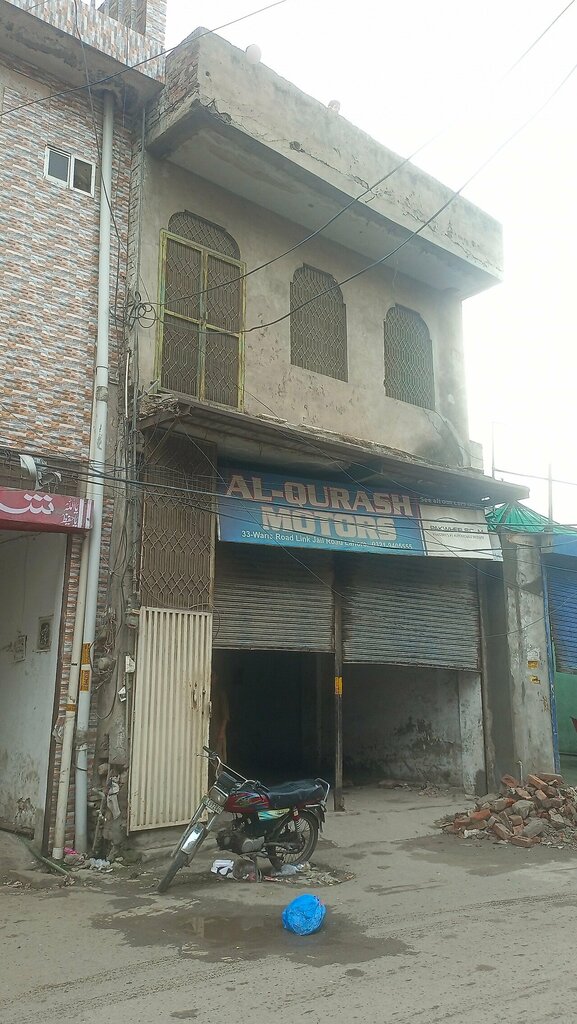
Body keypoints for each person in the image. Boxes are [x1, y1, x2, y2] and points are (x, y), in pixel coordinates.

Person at [210, 669, 229, 764]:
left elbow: (225, 716)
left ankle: (218, 777)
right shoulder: (207, 692)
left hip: (217, 729)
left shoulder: (220, 693)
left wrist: (221, 732)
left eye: (213, 676)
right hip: (209, 728)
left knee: (216, 756)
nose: (211, 678)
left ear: (216, 678)